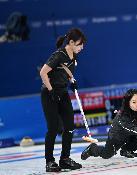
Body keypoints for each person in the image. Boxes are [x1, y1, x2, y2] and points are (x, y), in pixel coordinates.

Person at [40, 28, 86, 172]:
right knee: (53, 128)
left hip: (63, 92)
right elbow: (43, 72)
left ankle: (65, 159)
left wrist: (72, 81)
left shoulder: (74, 57)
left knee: (70, 127)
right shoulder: (59, 55)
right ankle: (50, 161)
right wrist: (51, 90)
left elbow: (66, 71)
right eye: (79, 44)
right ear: (71, 42)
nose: (81, 47)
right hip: (50, 94)